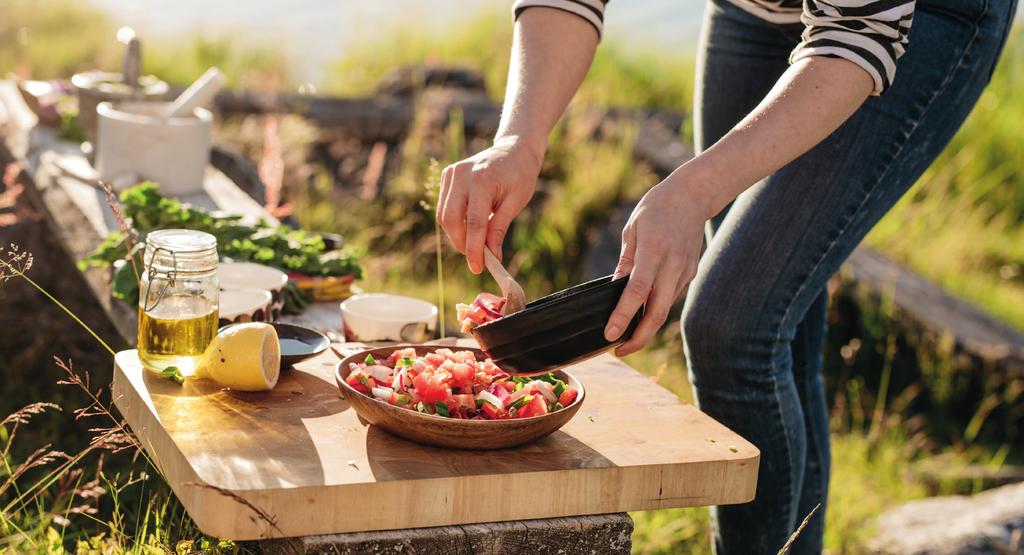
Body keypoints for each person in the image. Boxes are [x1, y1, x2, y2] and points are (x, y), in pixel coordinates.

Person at [435, 0, 1017, 552]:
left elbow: (858, 33)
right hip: (754, 13)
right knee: (780, 326)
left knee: (735, 325)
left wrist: (691, 194)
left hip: (896, 25)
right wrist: (519, 139)